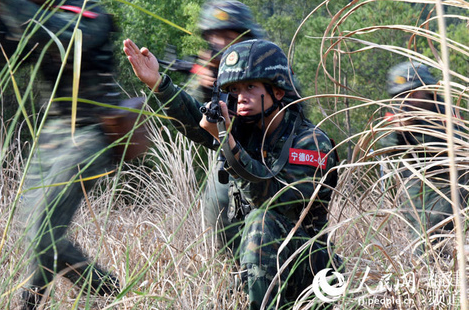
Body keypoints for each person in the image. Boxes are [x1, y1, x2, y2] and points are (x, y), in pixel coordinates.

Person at [0, 0, 122, 308]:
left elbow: (59, 37)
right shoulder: (26, 10)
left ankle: (105, 291)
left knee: (44, 231)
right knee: (34, 229)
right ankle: (34, 300)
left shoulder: (87, 11)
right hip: (53, 132)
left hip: (93, 131)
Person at [124, 38, 338, 309]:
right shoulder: (247, 132)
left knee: (262, 222)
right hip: (262, 270)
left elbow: (272, 198)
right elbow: (195, 120)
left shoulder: (311, 143)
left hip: (309, 275)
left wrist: (228, 142)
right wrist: (158, 83)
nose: (241, 96)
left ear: (278, 92)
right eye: (235, 90)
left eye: (251, 87)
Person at [185, 0, 265, 252]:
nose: (219, 45)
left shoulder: (267, 66)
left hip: (267, 163)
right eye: (213, 37)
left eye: (227, 36)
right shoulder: (214, 70)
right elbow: (199, 126)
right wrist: (205, 87)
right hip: (229, 161)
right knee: (219, 220)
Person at [382, 61, 468, 243]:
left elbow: (459, 148)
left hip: (447, 188)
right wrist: (397, 132)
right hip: (415, 190)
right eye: (402, 95)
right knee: (421, 243)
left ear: (427, 89)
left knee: (432, 240)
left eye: (413, 93)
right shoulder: (397, 115)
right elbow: (384, 149)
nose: (408, 99)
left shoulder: (447, 112)